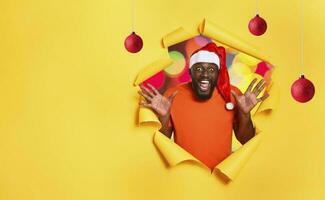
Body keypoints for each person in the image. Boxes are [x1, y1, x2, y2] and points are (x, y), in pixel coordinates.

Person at [138, 42, 269, 170]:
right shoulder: (173, 95)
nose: (205, 74)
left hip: (219, 176)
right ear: (191, 72)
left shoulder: (233, 95)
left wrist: (244, 114)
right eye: (199, 69)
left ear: (218, 72)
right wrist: (164, 117)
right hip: (185, 173)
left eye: (211, 69)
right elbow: (163, 142)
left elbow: (246, 139)